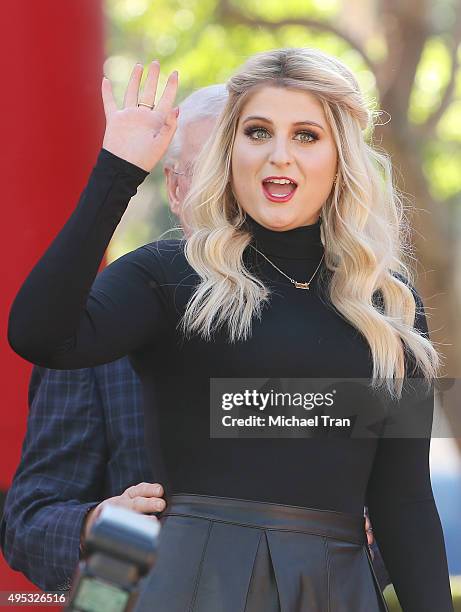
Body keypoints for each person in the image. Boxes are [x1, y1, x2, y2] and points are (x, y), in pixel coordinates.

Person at [7, 48, 452, 611]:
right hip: (179, 584)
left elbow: (405, 503)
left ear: (342, 155)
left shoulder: (388, 303)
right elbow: (39, 335)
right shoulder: (163, 277)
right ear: (229, 152)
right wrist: (117, 170)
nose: (279, 156)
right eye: (257, 132)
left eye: (307, 135)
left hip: (336, 589)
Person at [0, 85, 228, 592]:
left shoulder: (340, 310)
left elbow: (400, 506)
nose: (228, 197)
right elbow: (27, 523)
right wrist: (98, 521)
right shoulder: (98, 324)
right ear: (175, 188)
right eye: (211, 174)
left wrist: (357, 536)